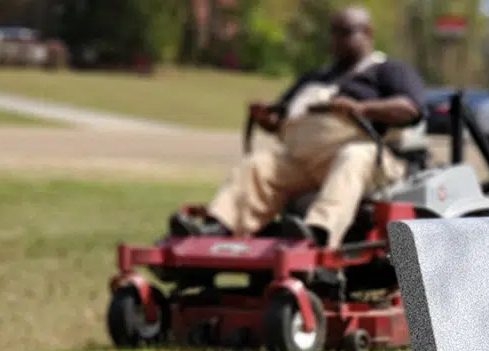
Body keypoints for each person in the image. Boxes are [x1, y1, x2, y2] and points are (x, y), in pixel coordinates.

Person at [170, 5, 426, 252]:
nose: (336, 39)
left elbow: (411, 108)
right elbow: (281, 122)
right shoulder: (315, 77)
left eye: (345, 31)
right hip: (304, 161)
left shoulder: (388, 70)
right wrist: (265, 118)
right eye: (333, 32)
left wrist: (361, 108)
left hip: (372, 159)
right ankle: (218, 227)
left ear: (367, 33)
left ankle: (317, 234)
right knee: (260, 164)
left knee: (353, 157)